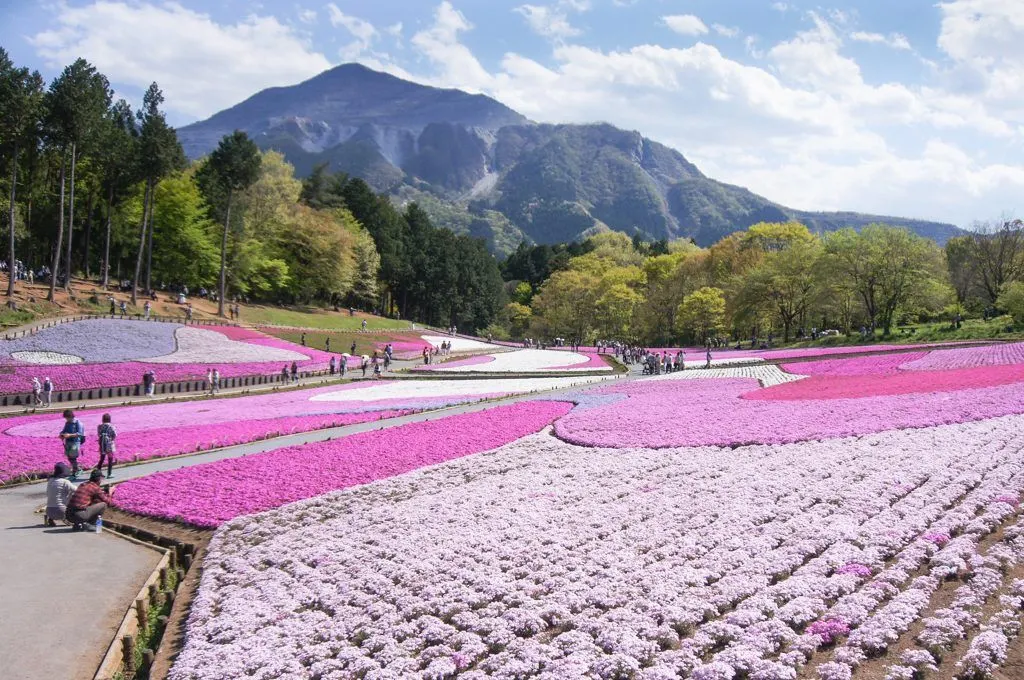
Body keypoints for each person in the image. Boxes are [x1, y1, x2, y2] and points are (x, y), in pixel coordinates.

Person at [44, 462, 75, 527]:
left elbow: (47, 493)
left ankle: (51, 519)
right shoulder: (65, 481)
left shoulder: (50, 480)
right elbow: (76, 490)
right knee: (72, 493)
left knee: (54, 497)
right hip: (61, 511)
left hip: (49, 511)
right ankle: (66, 518)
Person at [59, 409, 86, 480]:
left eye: (67, 418)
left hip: (75, 442)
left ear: (71, 416)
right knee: (69, 457)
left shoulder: (78, 423)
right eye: (65, 418)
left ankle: (75, 472)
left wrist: (69, 435)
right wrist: (61, 434)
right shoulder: (67, 423)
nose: (66, 419)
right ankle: (78, 469)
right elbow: (64, 430)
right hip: (68, 442)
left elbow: (79, 433)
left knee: (73, 457)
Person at [96, 413, 117, 478]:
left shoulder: (99, 426)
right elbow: (115, 435)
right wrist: (111, 440)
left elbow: (99, 434)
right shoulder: (111, 426)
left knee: (102, 458)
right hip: (109, 444)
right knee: (110, 458)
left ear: (103, 419)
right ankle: (109, 473)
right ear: (109, 419)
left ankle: (98, 474)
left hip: (102, 444)